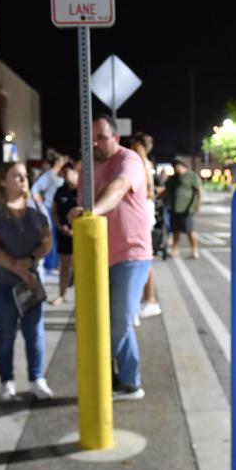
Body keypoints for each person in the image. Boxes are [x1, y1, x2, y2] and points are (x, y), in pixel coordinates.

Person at [68, 114, 153, 401]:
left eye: (102, 137)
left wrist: (93, 211)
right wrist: (76, 212)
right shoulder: (87, 168)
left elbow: (117, 188)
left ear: (115, 138)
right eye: (91, 138)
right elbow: (82, 205)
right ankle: (127, 381)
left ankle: (104, 372)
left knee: (119, 319)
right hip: (97, 256)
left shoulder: (128, 160)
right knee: (107, 320)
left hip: (131, 253)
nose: (95, 143)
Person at [0, 161, 55, 402]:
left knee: (34, 332)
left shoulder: (36, 206)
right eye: (17, 176)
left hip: (30, 279)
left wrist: (30, 261)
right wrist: (17, 268)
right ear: (3, 181)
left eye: (25, 175)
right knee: (6, 331)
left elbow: (47, 241)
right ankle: (6, 381)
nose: (23, 179)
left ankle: (36, 379)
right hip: (1, 280)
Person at [131, 132, 162, 318]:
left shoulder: (139, 161)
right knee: (143, 258)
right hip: (145, 213)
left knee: (142, 258)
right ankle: (148, 300)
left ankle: (149, 300)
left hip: (141, 214)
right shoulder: (146, 163)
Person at [31, 149, 67, 275]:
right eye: (61, 160)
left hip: (56, 208)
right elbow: (35, 189)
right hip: (48, 208)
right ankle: (50, 265)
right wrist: (39, 203)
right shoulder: (50, 175)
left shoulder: (60, 175)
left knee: (55, 237)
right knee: (50, 236)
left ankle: (54, 264)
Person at [50, 160, 79, 305]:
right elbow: (54, 211)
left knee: (80, 265)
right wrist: (61, 226)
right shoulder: (60, 191)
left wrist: (75, 229)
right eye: (65, 172)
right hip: (64, 232)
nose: (67, 176)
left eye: (70, 172)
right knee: (65, 265)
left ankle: (81, 295)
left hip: (79, 234)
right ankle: (61, 294)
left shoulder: (81, 190)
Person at [164, 157, 203, 259]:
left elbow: (199, 190)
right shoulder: (173, 178)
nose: (176, 168)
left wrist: (198, 204)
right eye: (174, 166)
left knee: (190, 230)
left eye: (177, 166)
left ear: (182, 165)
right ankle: (175, 250)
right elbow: (165, 190)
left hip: (187, 208)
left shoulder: (191, 176)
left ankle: (195, 250)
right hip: (174, 208)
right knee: (175, 231)